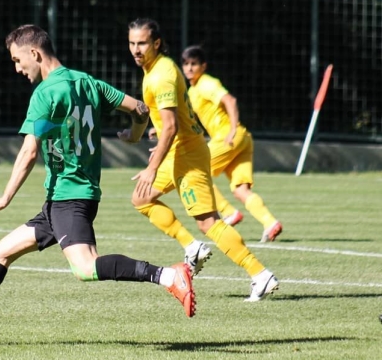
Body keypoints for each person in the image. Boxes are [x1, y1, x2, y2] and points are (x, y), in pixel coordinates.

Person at [0, 24, 196, 337]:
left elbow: (29, 152)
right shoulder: (86, 81)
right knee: (3, 251)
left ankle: (168, 276)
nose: (17, 68)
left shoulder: (45, 94)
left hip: (70, 196)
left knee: (86, 267)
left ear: (34, 53)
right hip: (64, 197)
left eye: (18, 60)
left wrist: (4, 197)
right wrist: (135, 134)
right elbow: (140, 109)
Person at [117, 18, 278, 301]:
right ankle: (192, 247)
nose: (135, 49)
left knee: (207, 221)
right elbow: (169, 119)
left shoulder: (161, 75)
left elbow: (171, 127)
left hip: (188, 154)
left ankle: (260, 275)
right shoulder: (155, 69)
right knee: (141, 199)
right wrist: (141, 134)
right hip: (178, 151)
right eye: (132, 43)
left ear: (156, 43)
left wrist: (152, 167)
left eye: (141, 43)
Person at [180, 45, 283, 242]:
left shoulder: (206, 83)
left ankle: (228, 212)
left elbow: (230, 100)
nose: (189, 68)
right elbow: (186, 119)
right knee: (240, 190)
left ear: (204, 66)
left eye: (194, 64)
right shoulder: (193, 91)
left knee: (196, 171)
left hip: (229, 136)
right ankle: (270, 223)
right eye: (186, 64)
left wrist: (233, 128)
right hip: (242, 139)